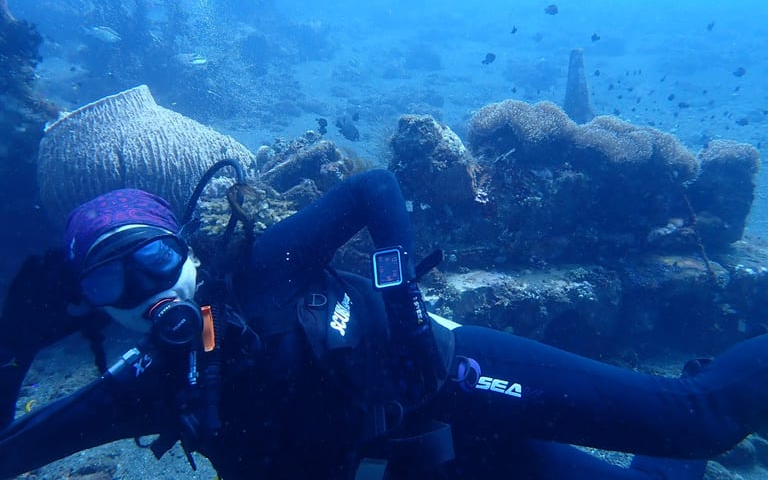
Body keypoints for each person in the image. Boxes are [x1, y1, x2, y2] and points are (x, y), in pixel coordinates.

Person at [1, 167, 767, 480]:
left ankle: (700, 381)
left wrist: (403, 318)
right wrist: (14, 339)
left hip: (458, 387)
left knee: (696, 422)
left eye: (157, 258)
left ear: (189, 252)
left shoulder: (260, 268)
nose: (146, 289)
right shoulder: (143, 389)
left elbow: (375, 187)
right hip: (421, 470)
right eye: (111, 278)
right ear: (93, 305)